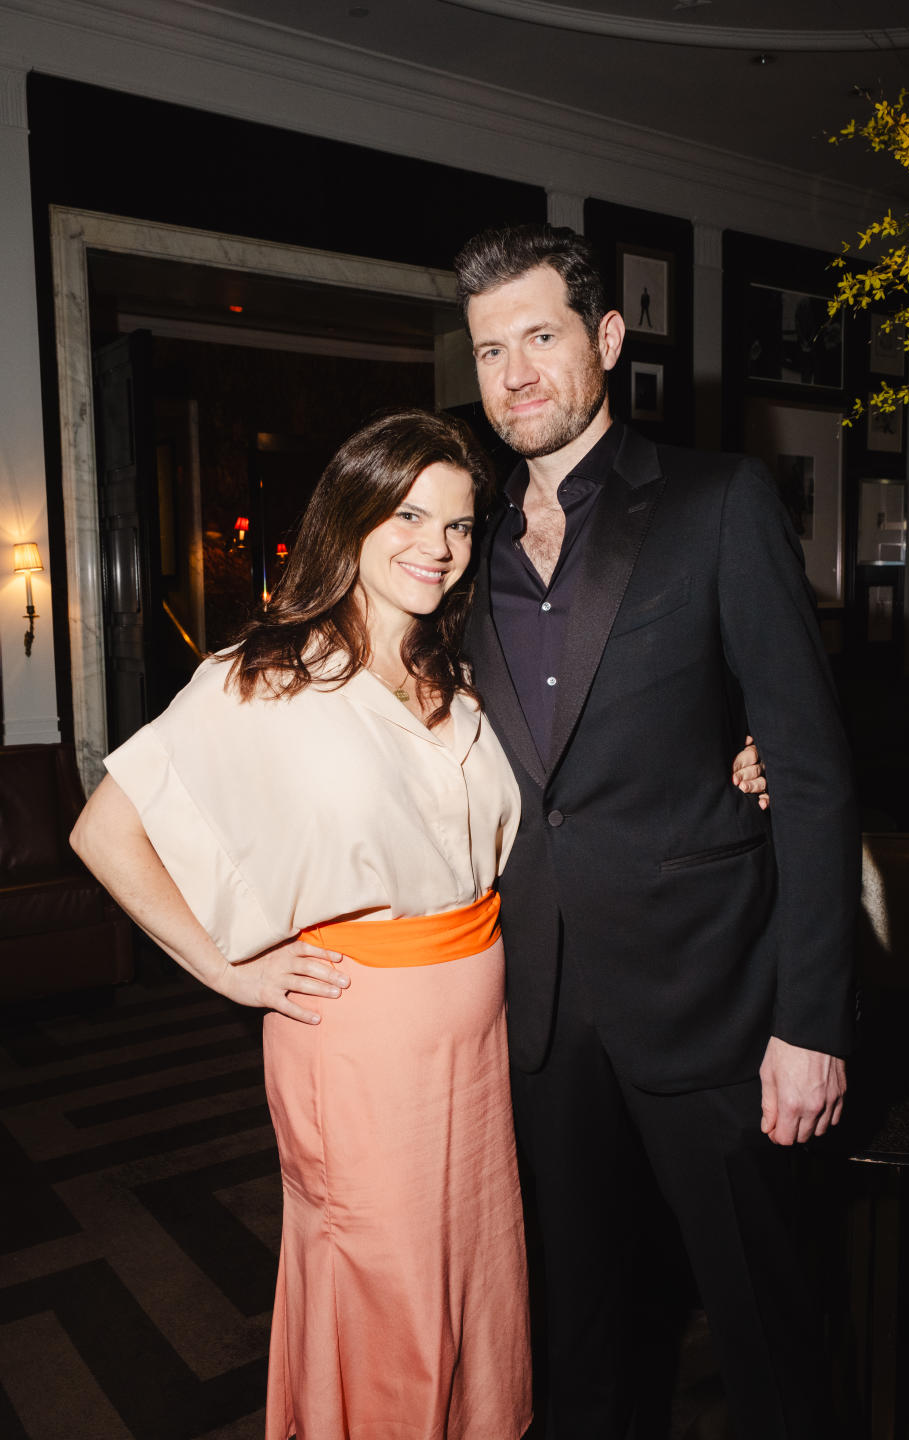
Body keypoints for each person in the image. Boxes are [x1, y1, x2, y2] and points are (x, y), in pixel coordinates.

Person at [453, 224, 860, 1440]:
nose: (516, 372)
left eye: (540, 335)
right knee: (576, 1338)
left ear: (608, 340)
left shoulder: (715, 500)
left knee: (767, 1331)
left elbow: (814, 769)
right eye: (489, 350)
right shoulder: (453, 541)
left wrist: (812, 1022)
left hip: (717, 1004)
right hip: (535, 1019)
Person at [69, 409, 534, 1440]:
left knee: (474, 1281)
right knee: (385, 1295)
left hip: (478, 1044)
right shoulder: (269, 674)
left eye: (460, 527)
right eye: (408, 515)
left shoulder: (460, 683)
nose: (438, 548)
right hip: (357, 1047)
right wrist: (227, 968)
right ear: (352, 517)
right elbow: (105, 830)